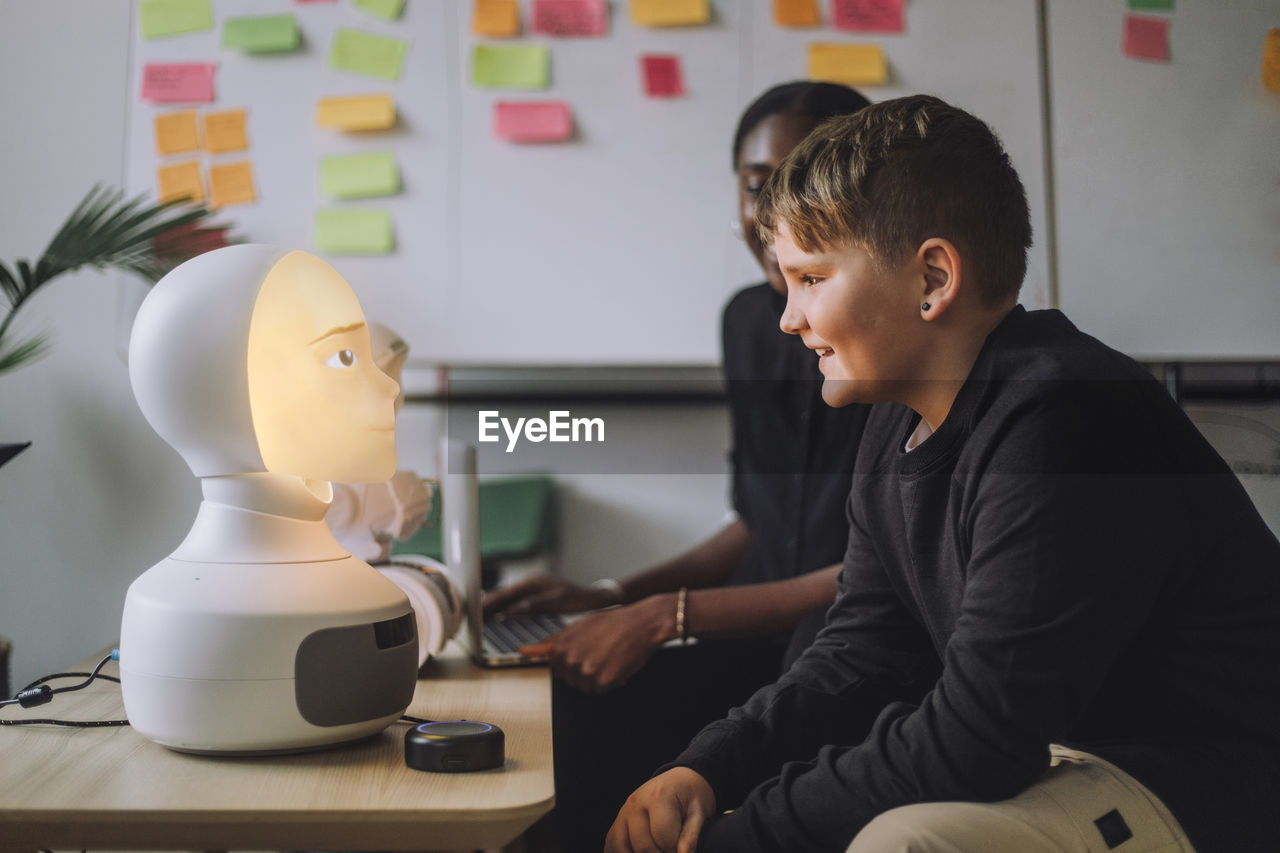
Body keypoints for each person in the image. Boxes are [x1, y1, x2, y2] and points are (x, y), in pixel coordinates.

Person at [607, 94, 1280, 853]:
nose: (789, 318)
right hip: (1066, 763)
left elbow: (977, 738)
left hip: (1197, 786)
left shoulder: (1064, 417)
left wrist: (744, 835)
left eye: (814, 279)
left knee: (909, 842)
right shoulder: (894, 423)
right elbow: (859, 651)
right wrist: (708, 770)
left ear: (932, 277)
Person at [483, 81, 872, 853]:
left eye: (806, 180)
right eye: (761, 184)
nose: (776, 212)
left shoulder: (889, 338)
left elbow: (876, 575)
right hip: (760, 643)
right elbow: (757, 523)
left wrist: (668, 615)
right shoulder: (748, 323)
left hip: (839, 655)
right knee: (562, 713)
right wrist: (611, 595)